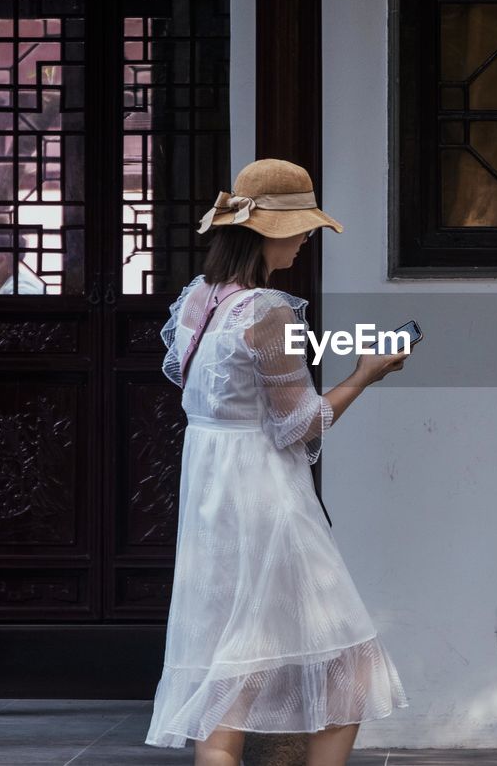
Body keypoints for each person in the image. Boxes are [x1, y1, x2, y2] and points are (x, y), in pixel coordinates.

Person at [144, 158, 411, 765]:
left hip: (212, 494)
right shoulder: (268, 310)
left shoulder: (199, 299)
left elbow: (196, 390)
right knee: (349, 670)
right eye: (301, 228)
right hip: (263, 495)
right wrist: (365, 374)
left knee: (230, 679)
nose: (305, 239)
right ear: (268, 231)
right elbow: (300, 423)